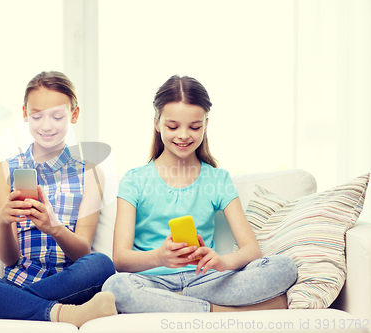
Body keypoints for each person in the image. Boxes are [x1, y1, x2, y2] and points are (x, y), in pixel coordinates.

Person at [0, 71, 116, 327]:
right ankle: (60, 313)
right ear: (25, 114)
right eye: (37, 116)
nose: (47, 125)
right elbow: (10, 259)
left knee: (101, 264)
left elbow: (82, 252)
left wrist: (55, 228)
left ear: (74, 114)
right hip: (18, 279)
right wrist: (4, 222)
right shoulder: (3, 171)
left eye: (57, 116)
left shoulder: (90, 173)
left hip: (69, 282)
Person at [102, 75, 297, 313]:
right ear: (156, 123)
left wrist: (223, 261)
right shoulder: (135, 180)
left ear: (205, 124)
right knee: (115, 287)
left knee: (284, 267)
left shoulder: (217, 179)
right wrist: (160, 258)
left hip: (205, 279)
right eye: (172, 126)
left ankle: (178, 302)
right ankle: (218, 311)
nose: (184, 135)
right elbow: (120, 259)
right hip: (152, 281)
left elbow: (251, 250)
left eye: (194, 127)